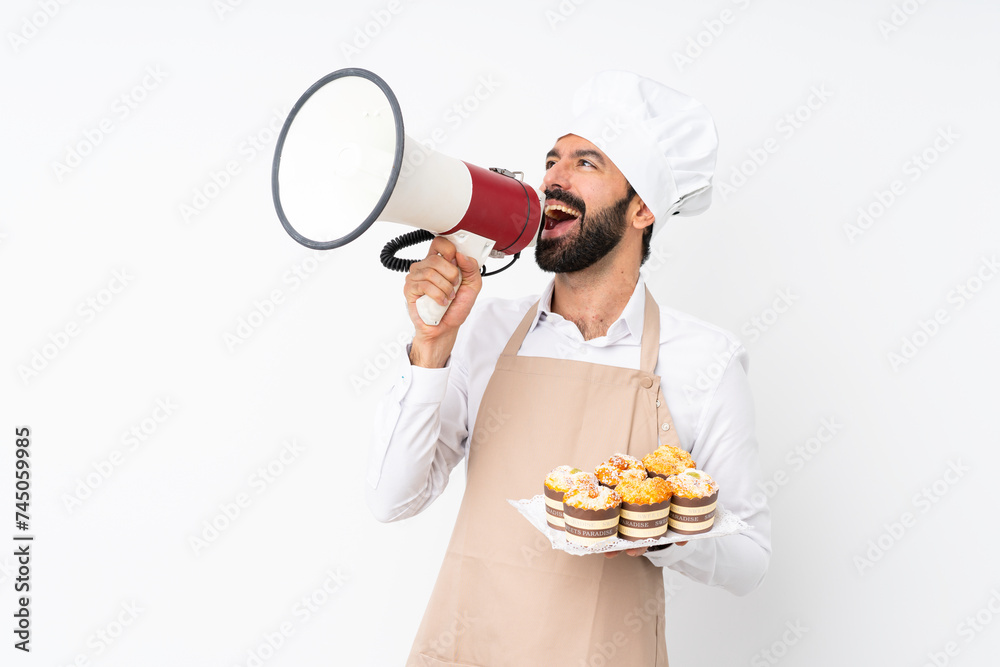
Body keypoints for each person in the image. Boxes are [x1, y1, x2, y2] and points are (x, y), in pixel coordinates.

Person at [366, 71, 771, 666]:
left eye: (586, 162)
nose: (552, 177)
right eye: (552, 159)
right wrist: (431, 347)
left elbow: (751, 561)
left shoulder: (704, 361)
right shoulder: (483, 328)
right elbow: (390, 500)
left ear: (642, 209)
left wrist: (654, 527)